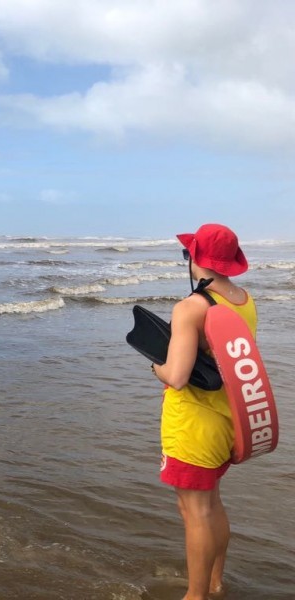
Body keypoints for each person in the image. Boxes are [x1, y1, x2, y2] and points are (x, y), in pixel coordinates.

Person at [150, 224, 254, 600]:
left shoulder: (191, 307)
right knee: (211, 505)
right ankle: (215, 582)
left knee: (195, 513)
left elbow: (177, 377)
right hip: (227, 421)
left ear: (194, 258)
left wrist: (154, 366)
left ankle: (196, 596)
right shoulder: (243, 299)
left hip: (192, 425)